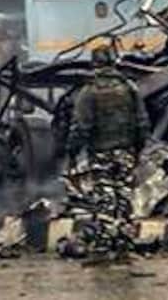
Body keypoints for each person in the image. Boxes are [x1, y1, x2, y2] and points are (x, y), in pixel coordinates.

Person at [66, 43, 149, 266]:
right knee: (124, 198)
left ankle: (102, 249)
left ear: (95, 64)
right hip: (126, 151)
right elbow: (142, 123)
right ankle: (123, 248)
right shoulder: (130, 87)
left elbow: (81, 127)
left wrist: (72, 152)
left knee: (104, 200)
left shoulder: (89, 91)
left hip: (101, 152)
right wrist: (138, 150)